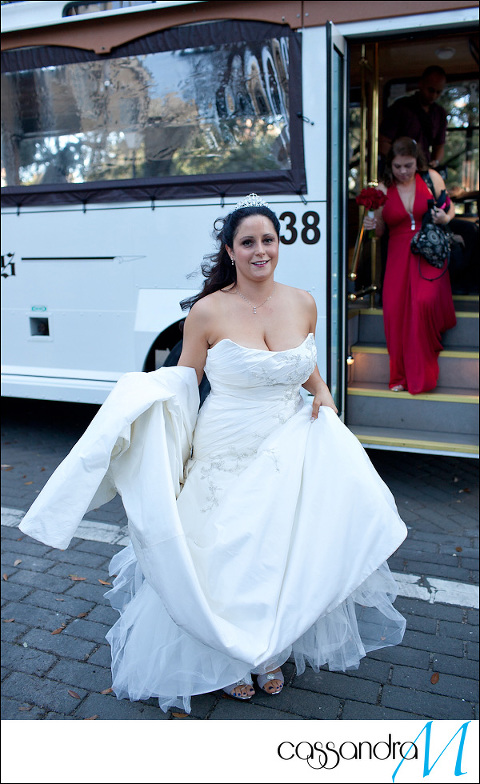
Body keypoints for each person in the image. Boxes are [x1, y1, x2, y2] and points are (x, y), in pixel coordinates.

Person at [19, 194, 407, 713]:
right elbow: (185, 380)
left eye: (268, 240)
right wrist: (144, 413)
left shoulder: (303, 302)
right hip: (226, 444)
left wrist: (322, 391)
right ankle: (225, 655)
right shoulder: (207, 311)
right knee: (224, 551)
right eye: (248, 242)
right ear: (230, 250)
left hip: (288, 441)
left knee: (275, 549)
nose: (260, 251)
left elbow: (303, 361)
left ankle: (268, 647)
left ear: (278, 244)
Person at [364, 138, 456, 394]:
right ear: (390, 165)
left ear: (417, 162)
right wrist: (371, 225)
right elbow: (379, 231)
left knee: (423, 303)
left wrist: (444, 217)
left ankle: (421, 374)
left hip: (428, 252)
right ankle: (400, 377)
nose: (403, 171)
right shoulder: (383, 188)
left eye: (408, 165)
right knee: (395, 314)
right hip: (397, 255)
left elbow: (450, 209)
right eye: (398, 166)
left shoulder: (431, 178)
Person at [379, 66, 447, 168]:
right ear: (421, 84)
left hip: (424, 168)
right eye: (431, 90)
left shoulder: (440, 113)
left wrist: (435, 162)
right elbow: (383, 142)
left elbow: (439, 146)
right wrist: (401, 161)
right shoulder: (400, 107)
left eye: (438, 92)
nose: (433, 96)